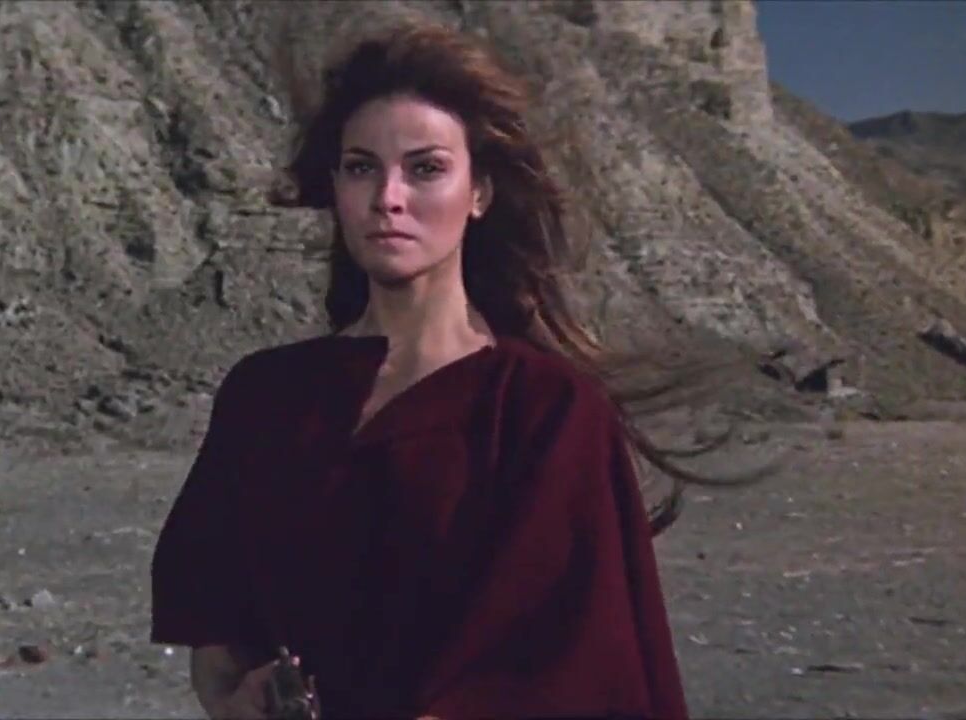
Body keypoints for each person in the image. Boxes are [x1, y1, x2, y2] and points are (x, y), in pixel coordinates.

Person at [150, 17, 737, 720]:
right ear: (335, 186)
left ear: (479, 191)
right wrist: (239, 698)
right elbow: (215, 641)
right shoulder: (266, 396)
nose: (388, 197)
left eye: (425, 168)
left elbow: (571, 670)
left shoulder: (545, 409)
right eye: (361, 167)